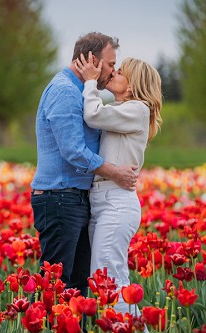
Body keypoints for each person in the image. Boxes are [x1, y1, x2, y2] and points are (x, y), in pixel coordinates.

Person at [30, 32, 138, 297]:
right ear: (92, 60)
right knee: (56, 285)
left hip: (73, 199)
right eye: (111, 64)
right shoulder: (65, 91)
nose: (113, 71)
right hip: (59, 198)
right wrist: (115, 173)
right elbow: (73, 152)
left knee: (76, 289)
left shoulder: (82, 92)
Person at [75, 53, 162, 315]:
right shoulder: (121, 110)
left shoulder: (138, 109)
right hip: (103, 200)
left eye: (121, 72)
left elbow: (92, 115)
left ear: (134, 84)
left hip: (116, 202)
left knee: (109, 282)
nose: (113, 73)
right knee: (107, 280)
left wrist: (90, 82)